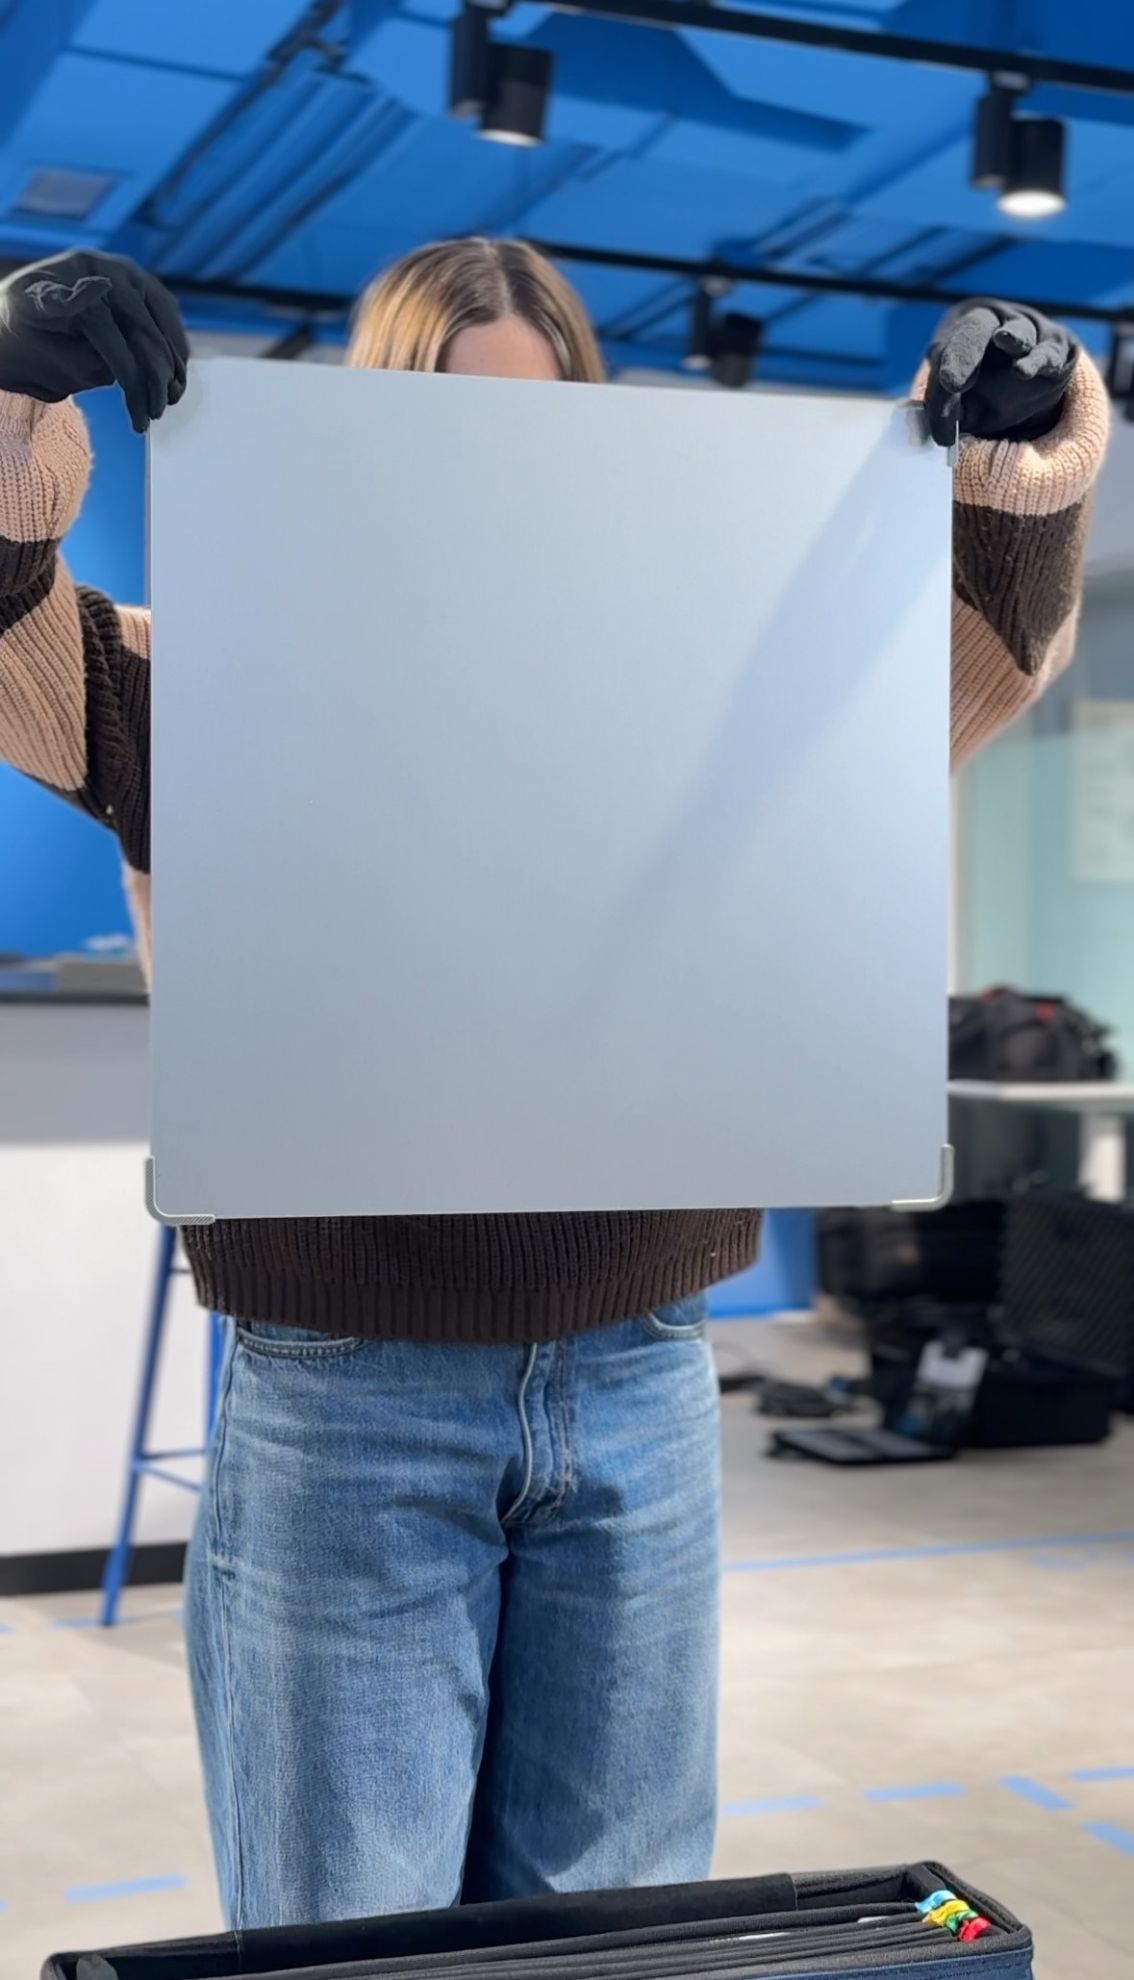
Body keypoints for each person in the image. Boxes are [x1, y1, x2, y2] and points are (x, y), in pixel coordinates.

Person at [0, 241, 1109, 1929]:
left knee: (618, 1927)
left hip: (640, 1365)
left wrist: (1024, 434)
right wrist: (12, 384)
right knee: (351, 1936)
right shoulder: (207, 676)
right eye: (450, 433)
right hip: (344, 1385)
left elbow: (972, 651)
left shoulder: (713, 700)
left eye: (537, 431)